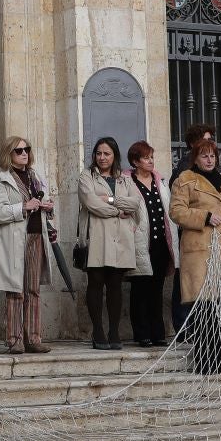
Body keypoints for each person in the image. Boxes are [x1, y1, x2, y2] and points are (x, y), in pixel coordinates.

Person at [168, 138, 221, 373]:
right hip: (199, 249)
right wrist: (205, 217)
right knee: (204, 307)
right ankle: (204, 359)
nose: (209, 160)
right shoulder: (185, 180)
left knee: (219, 306)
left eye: (212, 156)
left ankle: (218, 358)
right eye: (204, 156)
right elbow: (176, 211)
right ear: (195, 158)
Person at [0, 136, 55, 353]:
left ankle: (33, 338)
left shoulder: (35, 177)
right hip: (14, 240)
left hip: (36, 237)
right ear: (9, 154)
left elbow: (43, 204)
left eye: (27, 149)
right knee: (16, 290)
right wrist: (23, 207)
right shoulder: (1, 179)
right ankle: (14, 340)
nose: (24, 153)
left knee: (33, 290)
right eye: (18, 150)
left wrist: (47, 207)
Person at [76, 137, 147, 351]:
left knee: (115, 285)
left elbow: (136, 203)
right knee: (96, 282)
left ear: (114, 155)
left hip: (120, 239)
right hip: (96, 236)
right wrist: (117, 209)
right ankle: (98, 330)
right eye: (99, 153)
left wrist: (109, 199)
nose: (102, 157)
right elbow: (91, 202)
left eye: (107, 153)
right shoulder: (86, 176)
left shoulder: (125, 180)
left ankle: (114, 331)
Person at [127, 141, 177, 347]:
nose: (150, 161)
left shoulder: (160, 182)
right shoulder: (127, 182)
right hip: (140, 242)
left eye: (151, 157)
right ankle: (142, 333)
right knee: (140, 289)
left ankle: (158, 333)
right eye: (146, 158)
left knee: (157, 289)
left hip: (160, 243)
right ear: (135, 161)